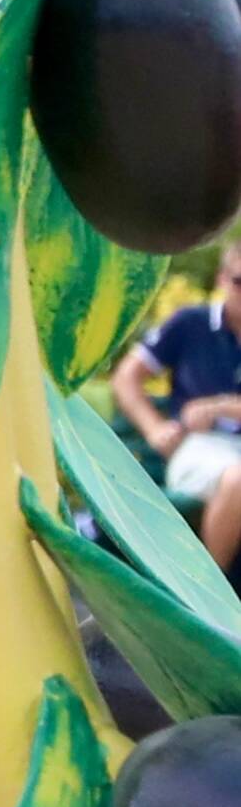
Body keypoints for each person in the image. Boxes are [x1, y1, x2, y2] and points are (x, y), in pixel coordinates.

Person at [115, 238, 241, 568]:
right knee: (238, 479)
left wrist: (221, 406)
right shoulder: (191, 324)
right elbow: (126, 377)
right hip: (201, 450)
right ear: (222, 279)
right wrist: (154, 428)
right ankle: (210, 602)